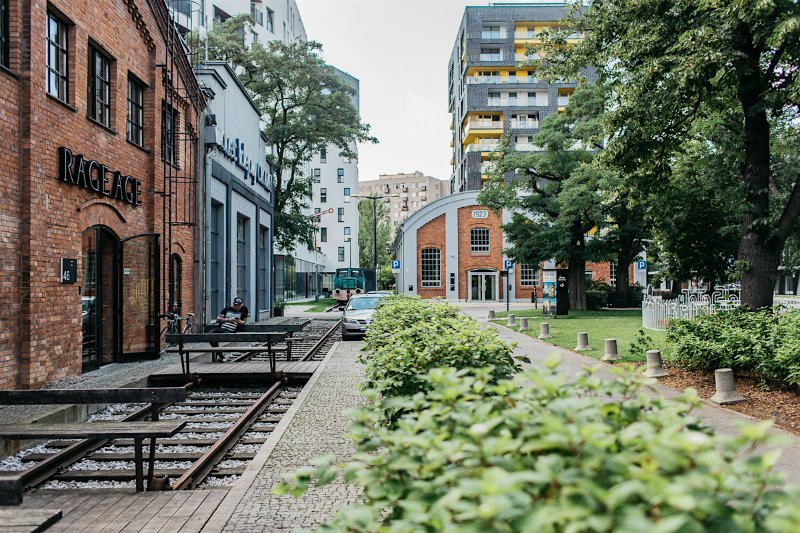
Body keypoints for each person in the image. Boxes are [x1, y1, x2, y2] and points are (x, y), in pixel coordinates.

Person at [209, 297, 249, 361]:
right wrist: (228, 320)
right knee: (209, 335)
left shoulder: (244, 309)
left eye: (239, 305)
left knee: (216, 337)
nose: (237, 307)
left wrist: (239, 321)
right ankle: (220, 355)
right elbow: (218, 319)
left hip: (230, 330)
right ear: (233, 304)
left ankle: (220, 356)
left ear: (242, 305)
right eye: (236, 305)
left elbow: (244, 322)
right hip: (221, 328)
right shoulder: (227, 309)